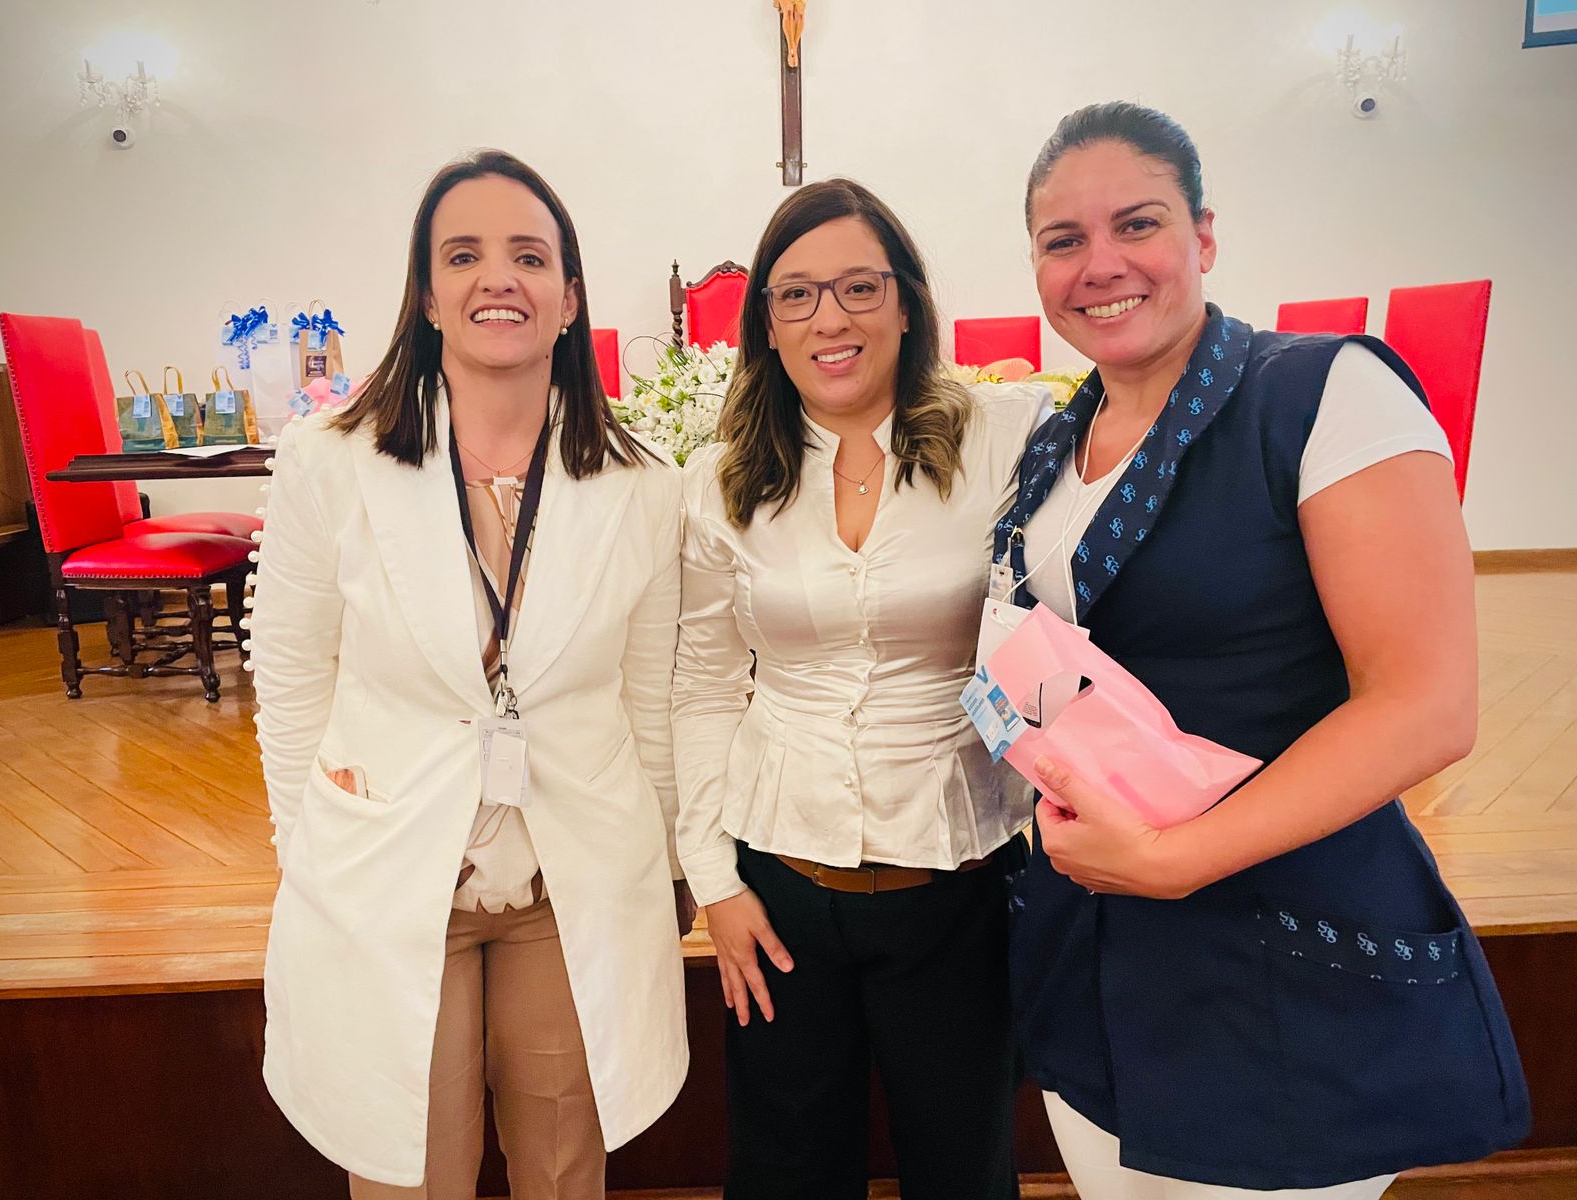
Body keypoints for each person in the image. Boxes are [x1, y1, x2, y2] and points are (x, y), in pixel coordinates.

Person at [997, 102, 1529, 1199]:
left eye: (1137, 223)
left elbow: (1427, 705)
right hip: (1095, 949)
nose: (1100, 264)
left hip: (1272, 953)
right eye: (1063, 240)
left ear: (1203, 235)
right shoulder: (1056, 438)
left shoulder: (1322, 393)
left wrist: (1176, 858)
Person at [249, 149, 692, 1200]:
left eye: (529, 256)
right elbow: (292, 675)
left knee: (563, 1168)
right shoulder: (331, 460)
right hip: (392, 871)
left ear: (570, 298)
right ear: (426, 294)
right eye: (464, 255)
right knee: (411, 1172)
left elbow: (652, 699)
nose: (499, 278)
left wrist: (668, 866)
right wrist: (310, 853)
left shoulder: (643, 486)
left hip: (569, 878)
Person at [672, 178, 1047, 1200]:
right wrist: (713, 882)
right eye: (796, 294)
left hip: (957, 882)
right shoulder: (723, 480)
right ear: (766, 324)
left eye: (858, 287)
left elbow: (1052, 625)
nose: (828, 318)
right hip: (780, 888)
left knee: (963, 1170)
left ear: (907, 302)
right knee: (785, 1172)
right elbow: (704, 685)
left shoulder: (1002, 438)